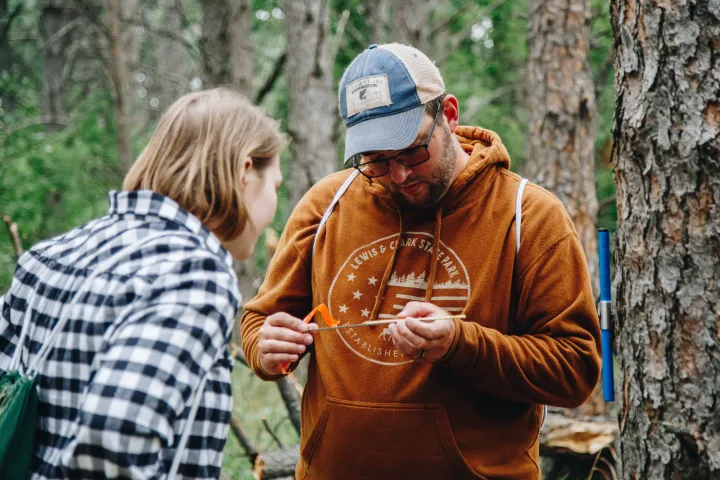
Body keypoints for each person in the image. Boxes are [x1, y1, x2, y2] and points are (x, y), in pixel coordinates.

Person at [241, 44, 601, 479]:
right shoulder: (326, 204)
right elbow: (260, 322)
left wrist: (461, 344)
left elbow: (575, 369)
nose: (398, 174)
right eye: (375, 159)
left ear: (449, 115)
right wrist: (264, 350)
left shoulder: (529, 215)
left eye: (410, 150)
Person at [0, 88, 285, 479]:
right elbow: (109, 451)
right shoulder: (193, 276)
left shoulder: (51, 254)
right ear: (244, 172)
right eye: (276, 186)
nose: (274, 206)